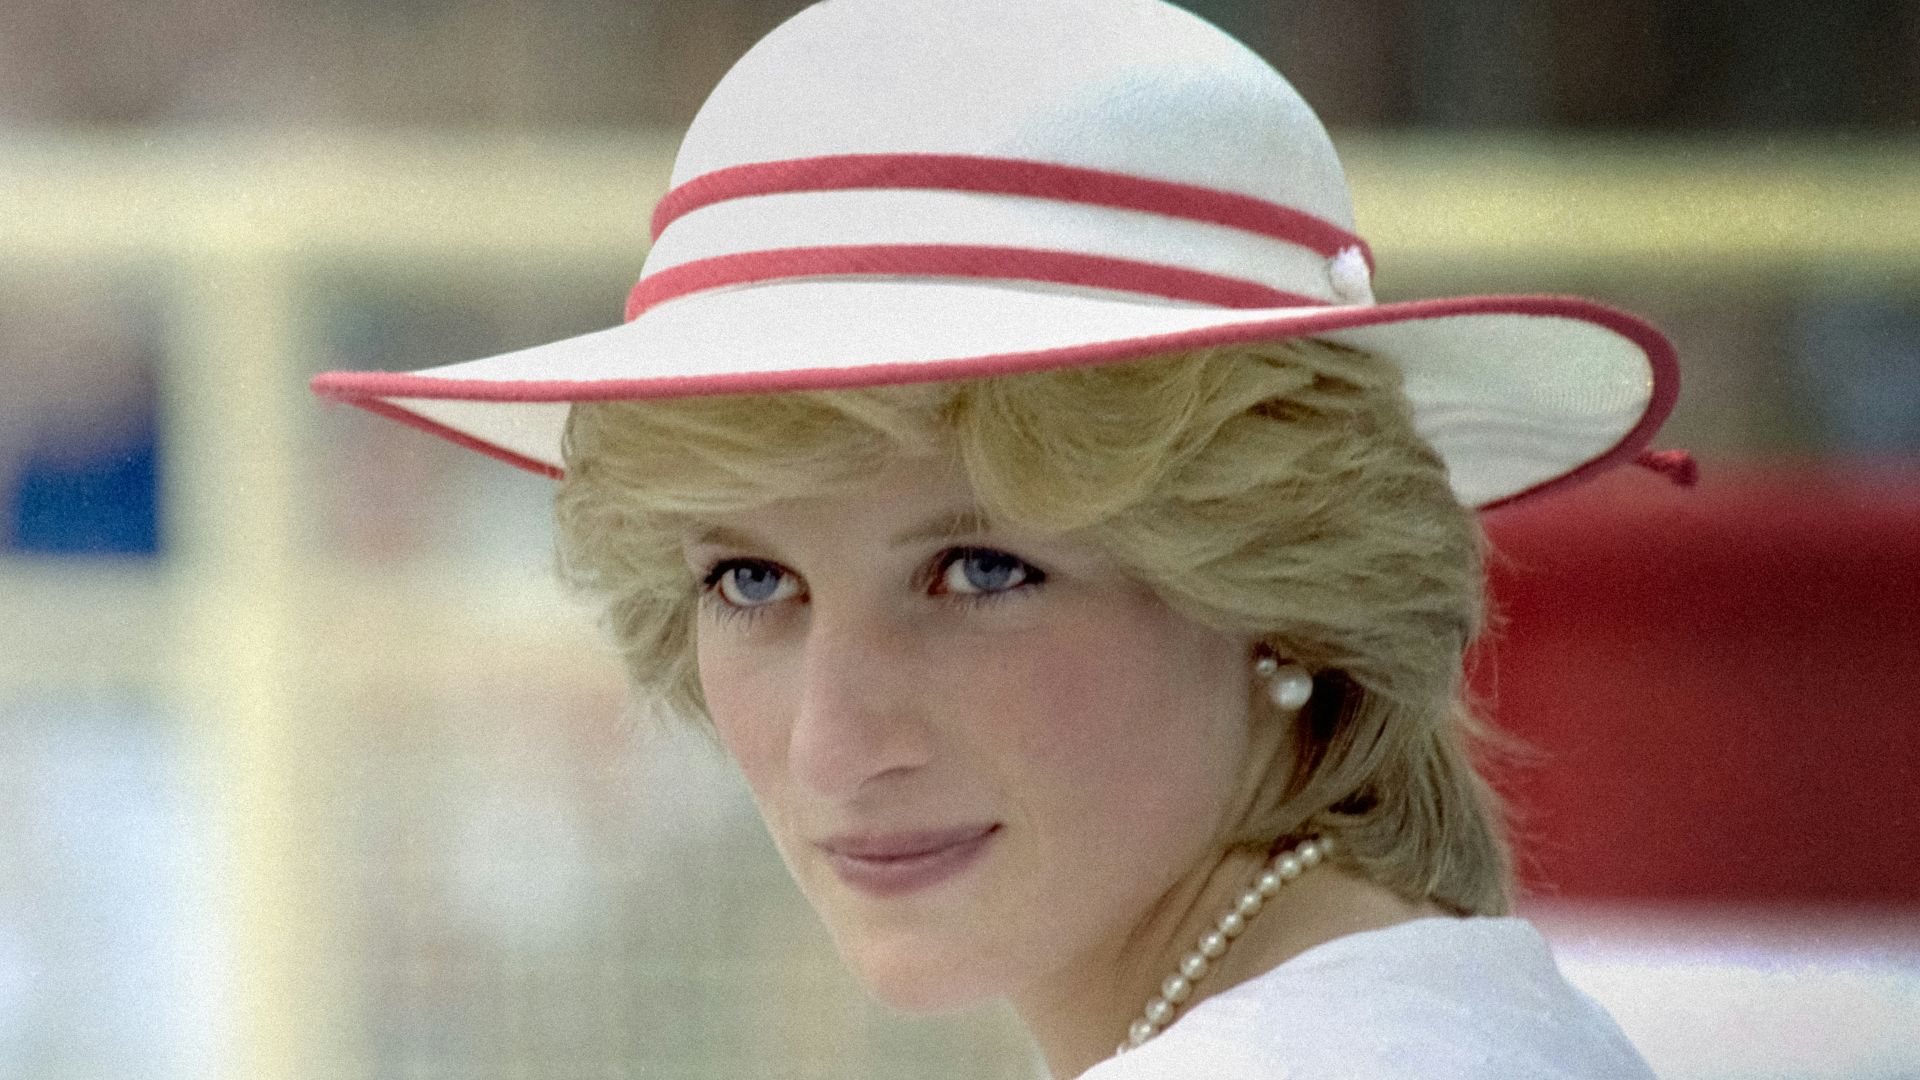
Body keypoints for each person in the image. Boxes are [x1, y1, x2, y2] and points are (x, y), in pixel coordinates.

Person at [313, 1, 1688, 1075]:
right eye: (751, 579)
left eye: (982, 573)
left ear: (1285, 591)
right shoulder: (1426, 1008)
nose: (834, 743)